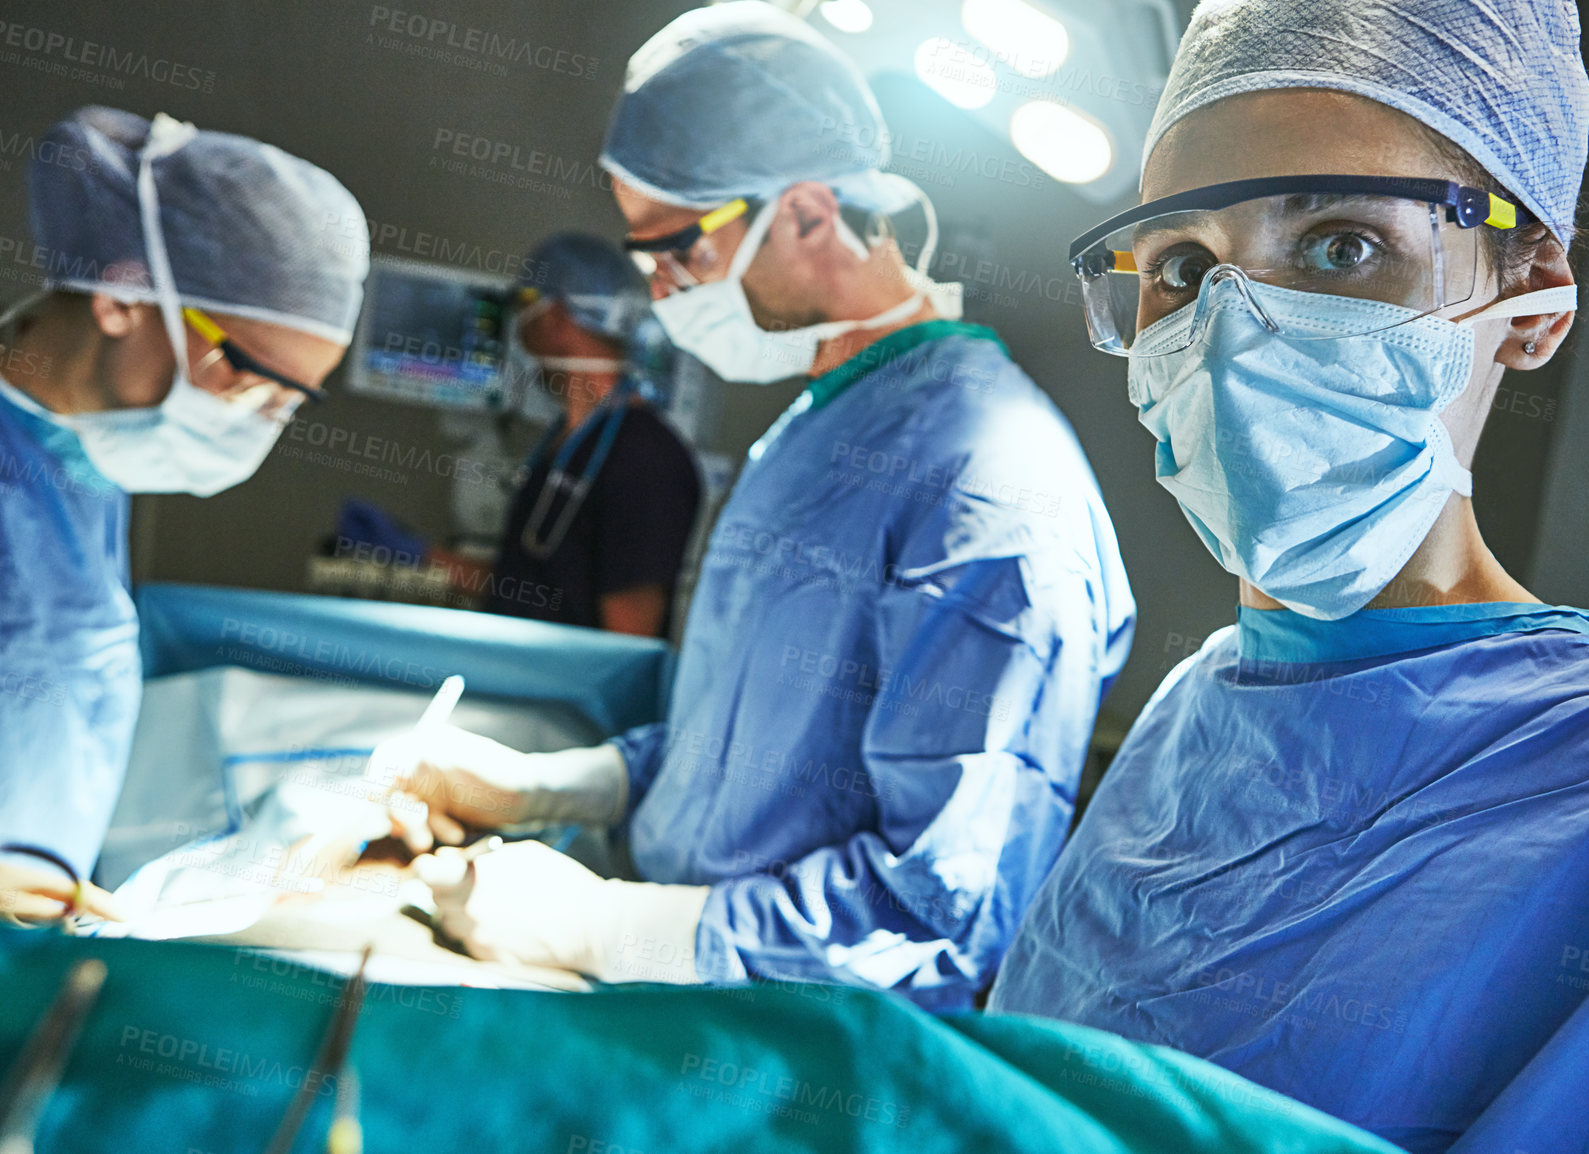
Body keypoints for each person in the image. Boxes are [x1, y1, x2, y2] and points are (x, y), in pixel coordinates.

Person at [987, 2, 1589, 1151]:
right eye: (1178, 264)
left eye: (1338, 246)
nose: (1228, 332)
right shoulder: (1194, 709)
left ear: (1532, 303)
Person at [384, 1, 1135, 1009]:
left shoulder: (991, 489)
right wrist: (554, 785)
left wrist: (614, 927)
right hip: (671, 999)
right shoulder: (807, 434)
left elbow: (941, 916)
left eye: (677, 248)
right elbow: (744, 742)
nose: (656, 289)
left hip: (785, 1054)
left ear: (810, 213)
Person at [0, 106, 368, 910]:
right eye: (244, 371)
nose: (255, 417)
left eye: (287, 400)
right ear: (124, 298)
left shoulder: (84, 457)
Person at [487, 233, 701, 638]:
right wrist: (421, 557)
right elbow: (527, 584)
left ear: (555, 318)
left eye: (524, 308)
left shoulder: (647, 459)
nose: (518, 329)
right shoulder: (563, 444)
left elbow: (628, 642)